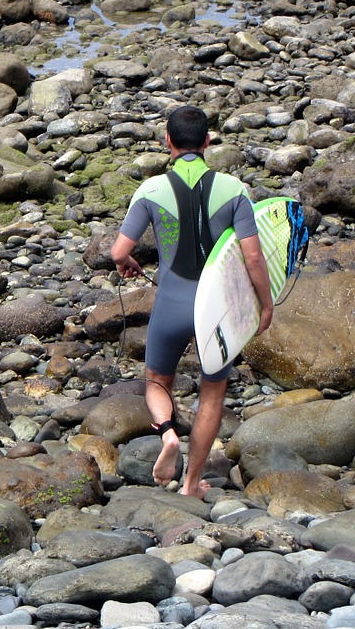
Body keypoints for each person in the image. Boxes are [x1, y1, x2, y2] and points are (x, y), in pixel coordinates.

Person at [110, 105, 274, 499]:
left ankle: (168, 434)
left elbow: (118, 251)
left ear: (167, 141)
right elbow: (252, 257)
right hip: (215, 309)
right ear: (207, 142)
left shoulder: (150, 190)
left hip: (171, 301)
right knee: (212, 393)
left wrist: (128, 262)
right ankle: (191, 483)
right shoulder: (234, 190)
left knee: (156, 381)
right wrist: (266, 305)